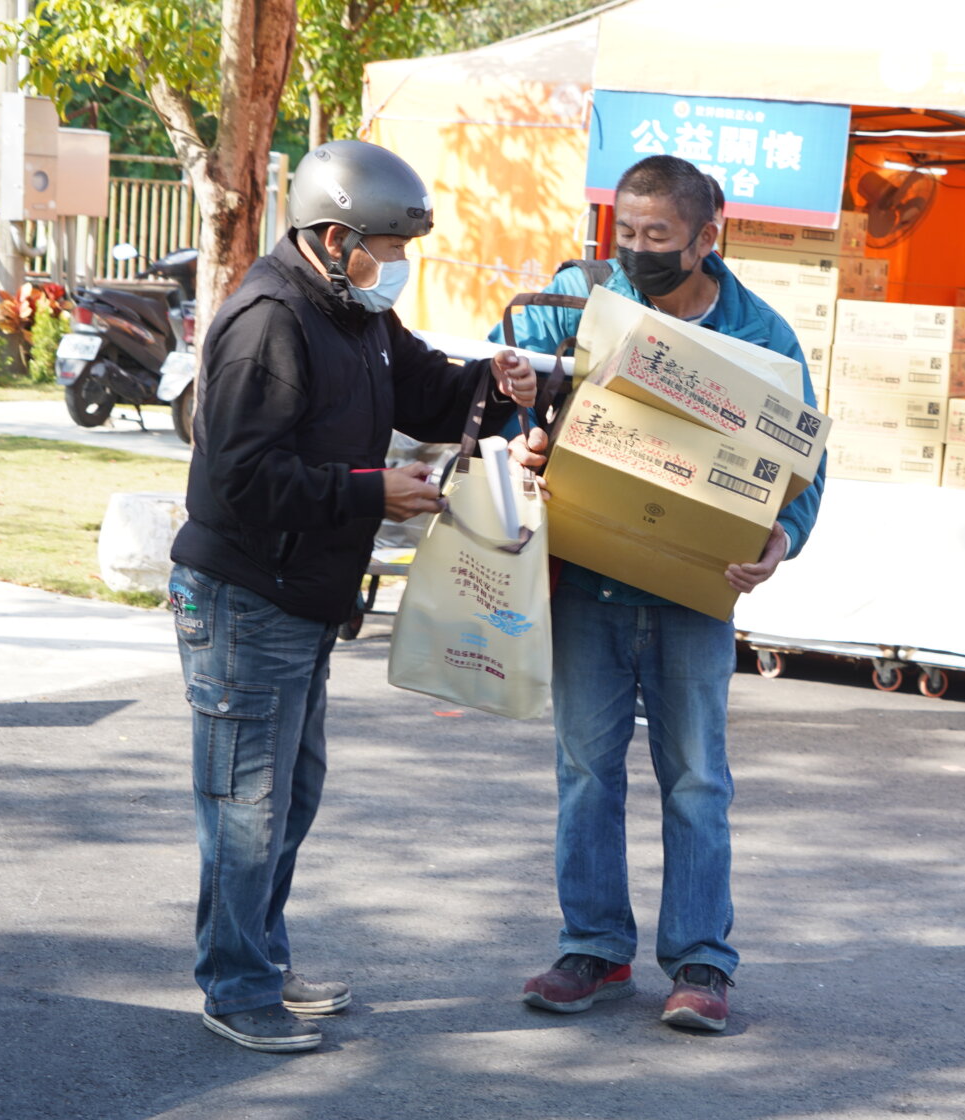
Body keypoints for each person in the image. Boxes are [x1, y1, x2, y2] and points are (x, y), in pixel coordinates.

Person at [169, 140, 538, 1053]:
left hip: (302, 596)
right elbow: (245, 477)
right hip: (245, 595)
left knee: (287, 798)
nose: (400, 268)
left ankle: (259, 954)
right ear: (336, 239)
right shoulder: (268, 321)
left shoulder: (352, 311)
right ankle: (236, 986)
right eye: (389, 247)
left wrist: (496, 382)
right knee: (245, 805)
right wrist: (372, 492)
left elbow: (423, 386)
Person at [501, 154, 824, 1034]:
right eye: (626, 233)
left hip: (693, 594)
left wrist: (780, 539)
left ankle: (700, 964)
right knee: (584, 773)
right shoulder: (591, 308)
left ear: (705, 237)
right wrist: (526, 422)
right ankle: (594, 949)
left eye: (657, 237)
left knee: (696, 781)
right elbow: (519, 405)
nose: (636, 251)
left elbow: (807, 468)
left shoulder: (762, 337)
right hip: (590, 584)